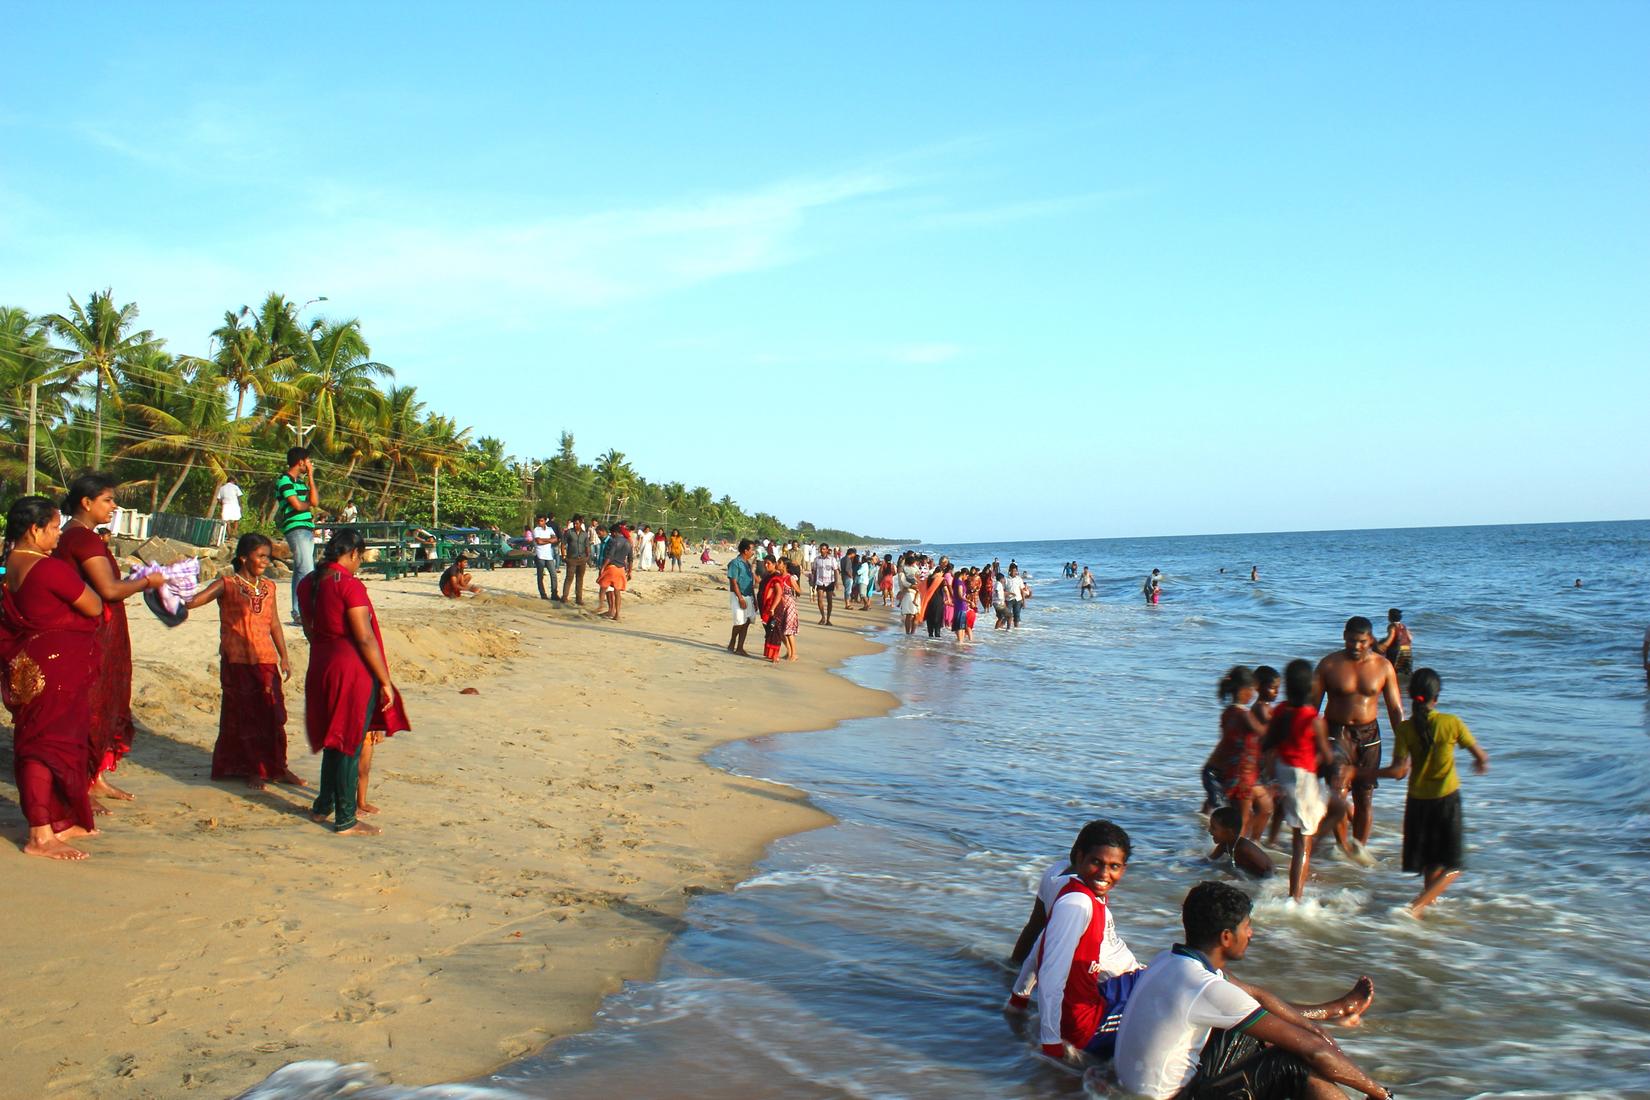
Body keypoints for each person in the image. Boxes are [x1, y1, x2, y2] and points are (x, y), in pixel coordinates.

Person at [1114, 881, 1388, 1100]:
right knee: (1291, 1061)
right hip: (1174, 1096)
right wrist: (1379, 1093)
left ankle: (1336, 1013)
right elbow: (1314, 1052)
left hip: (1137, 1086)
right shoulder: (1206, 988)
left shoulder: (1170, 960)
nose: (1251, 934)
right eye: (1247, 927)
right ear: (1226, 937)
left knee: (1268, 1033)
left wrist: (1315, 1026)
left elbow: (1256, 996)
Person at [0, 496, 104, 860]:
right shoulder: (46, 568)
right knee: (44, 746)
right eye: (55, 528)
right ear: (35, 529)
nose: (59, 536)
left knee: (41, 739)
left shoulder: (9, 565)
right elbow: (93, 604)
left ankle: (58, 821)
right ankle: (40, 834)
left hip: (25, 665)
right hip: (52, 667)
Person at [55, 473, 166, 803]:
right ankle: (84, 780)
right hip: (93, 632)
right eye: (107, 500)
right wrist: (147, 581)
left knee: (95, 702)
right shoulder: (83, 538)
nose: (114, 506)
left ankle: (94, 776)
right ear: (86, 503)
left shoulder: (70, 535)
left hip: (88, 627)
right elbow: (108, 589)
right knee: (94, 704)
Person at [297, 529, 409, 836]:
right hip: (350, 666)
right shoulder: (348, 585)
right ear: (354, 555)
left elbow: (308, 628)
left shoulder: (308, 583)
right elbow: (364, 636)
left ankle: (323, 805)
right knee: (349, 740)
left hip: (321, 661)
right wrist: (385, 680)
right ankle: (346, 817)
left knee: (335, 736)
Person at [182, 533, 304, 791]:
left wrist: (284, 656)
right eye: (260, 556)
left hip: (266, 660)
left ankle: (278, 767)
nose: (264, 561)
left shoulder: (269, 587)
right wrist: (165, 596)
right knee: (245, 718)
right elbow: (195, 601)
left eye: (267, 557)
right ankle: (252, 769)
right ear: (243, 557)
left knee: (273, 716)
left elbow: (273, 623)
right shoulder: (227, 584)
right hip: (238, 661)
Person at [1014, 821, 1144, 1061]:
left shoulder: (1064, 882)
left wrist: (1018, 996)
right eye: (1097, 862)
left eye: (1113, 866)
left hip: (1099, 995)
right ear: (1080, 857)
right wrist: (1051, 1043)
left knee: (1165, 980)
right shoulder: (1078, 904)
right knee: (1171, 1003)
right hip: (1088, 1022)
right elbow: (1052, 974)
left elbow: (1040, 936)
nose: (1105, 874)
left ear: (1123, 869)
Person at [1378, 668, 1489, 916]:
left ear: (1410, 694)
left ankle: (1430, 903)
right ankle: (1416, 906)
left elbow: (1397, 770)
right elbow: (1480, 755)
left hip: (1417, 802)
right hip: (1446, 800)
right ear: (1436, 698)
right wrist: (1480, 762)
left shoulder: (1405, 729)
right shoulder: (1451, 723)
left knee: (1430, 861)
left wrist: (1362, 773)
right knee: (1454, 865)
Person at [1310, 616, 1405, 850]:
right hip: (1336, 733)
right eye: (1352, 641)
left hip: (1369, 736)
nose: (1356, 646)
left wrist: (1405, 746)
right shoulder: (1328, 664)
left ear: (1370, 639)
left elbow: (1395, 709)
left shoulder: (1383, 666)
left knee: (1364, 798)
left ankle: (1359, 850)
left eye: (1362, 641)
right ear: (1344, 637)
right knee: (1338, 791)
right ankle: (1343, 849)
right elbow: (1310, 708)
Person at [1262, 659, 1348, 901]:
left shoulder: (1280, 711)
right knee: (1304, 841)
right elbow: (1327, 756)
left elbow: (1268, 744)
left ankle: (1314, 844)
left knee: (1335, 810)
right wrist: (1341, 749)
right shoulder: (1313, 719)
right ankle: (1295, 898)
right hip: (1303, 779)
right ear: (1310, 688)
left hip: (1285, 772)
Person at [1201, 666, 1273, 839]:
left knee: (1265, 807)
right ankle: (1234, 851)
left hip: (1240, 771)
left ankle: (1251, 844)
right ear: (1243, 691)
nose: (1254, 695)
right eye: (1252, 691)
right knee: (1243, 818)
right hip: (1241, 774)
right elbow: (1264, 733)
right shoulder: (1244, 715)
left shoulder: (1228, 713)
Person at [276, 447, 319, 626]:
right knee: (307, 570)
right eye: (307, 461)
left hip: (307, 528)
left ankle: (297, 611)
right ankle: (304, 611)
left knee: (301, 570)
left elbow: (314, 502)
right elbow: (296, 505)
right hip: (296, 529)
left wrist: (310, 476)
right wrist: (306, 504)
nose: (309, 463)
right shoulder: (284, 480)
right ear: (300, 461)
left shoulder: (301, 483)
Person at [1207, 806, 1274, 879]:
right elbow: (1209, 860)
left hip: (1265, 879)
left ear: (1229, 832)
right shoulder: (1224, 845)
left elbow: (1270, 869)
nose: (1209, 830)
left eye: (1213, 828)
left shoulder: (1244, 848)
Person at [759, 556, 799, 663]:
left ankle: (793, 654)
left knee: (786, 630)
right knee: (780, 630)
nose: (778, 564)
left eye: (780, 562)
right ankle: (789, 652)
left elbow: (796, 591)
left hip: (786, 605)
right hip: (778, 605)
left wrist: (791, 590)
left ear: (784, 565)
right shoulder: (776, 576)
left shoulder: (785, 577)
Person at [727, 538, 758, 656]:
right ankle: (732, 641)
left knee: (747, 621)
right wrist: (740, 598)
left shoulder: (747, 564)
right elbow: (733, 582)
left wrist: (754, 599)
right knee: (739, 621)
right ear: (745, 551)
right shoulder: (735, 563)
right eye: (752, 550)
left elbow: (751, 583)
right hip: (737, 595)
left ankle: (740, 647)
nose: (753, 552)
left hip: (749, 594)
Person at [598, 522, 633, 622]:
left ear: (614, 533)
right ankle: (617, 614)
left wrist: (603, 567)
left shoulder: (614, 541)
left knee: (603, 587)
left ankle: (600, 606)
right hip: (621, 568)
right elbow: (630, 559)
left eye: (611, 533)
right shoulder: (628, 543)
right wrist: (630, 571)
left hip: (611, 567)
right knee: (617, 592)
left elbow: (610, 556)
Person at [1373, 608, 1413, 677]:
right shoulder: (1403, 626)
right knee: (1406, 670)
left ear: (1390, 617)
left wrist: (1381, 647)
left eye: (1388, 615)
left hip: (1397, 651)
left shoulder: (1392, 626)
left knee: (1393, 669)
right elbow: (1410, 638)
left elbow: (1390, 639)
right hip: (1407, 649)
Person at [561, 515, 591, 605]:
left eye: (577, 523)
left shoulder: (585, 534)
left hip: (582, 559)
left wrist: (587, 557)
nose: (575, 525)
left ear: (581, 524)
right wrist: (563, 556)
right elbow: (563, 544)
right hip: (571, 559)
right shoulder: (569, 532)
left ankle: (579, 598)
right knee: (569, 578)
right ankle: (564, 596)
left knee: (580, 579)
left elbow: (587, 546)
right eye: (574, 523)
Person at [530, 514, 560, 601]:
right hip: (540, 555)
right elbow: (538, 541)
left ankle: (554, 593)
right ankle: (543, 594)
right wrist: (549, 540)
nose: (540, 523)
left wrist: (545, 540)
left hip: (548, 555)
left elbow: (555, 539)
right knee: (540, 575)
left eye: (542, 521)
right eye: (539, 521)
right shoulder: (536, 530)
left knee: (553, 574)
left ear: (545, 521)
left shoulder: (549, 529)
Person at [811, 542, 838, 625]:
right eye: (821, 549)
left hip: (829, 582)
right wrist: (813, 583)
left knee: (829, 601)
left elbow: (836, 570)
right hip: (820, 581)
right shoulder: (816, 559)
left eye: (824, 549)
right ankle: (823, 617)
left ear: (827, 550)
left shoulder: (832, 559)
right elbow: (814, 571)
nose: (822, 550)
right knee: (820, 600)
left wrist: (836, 582)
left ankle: (828, 619)